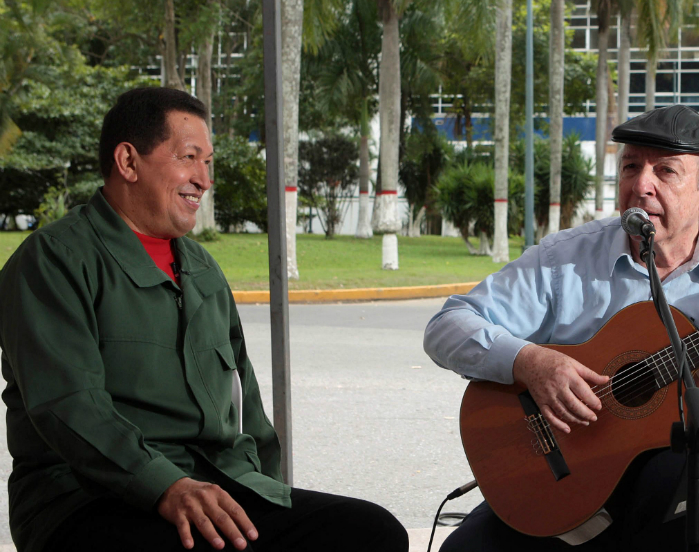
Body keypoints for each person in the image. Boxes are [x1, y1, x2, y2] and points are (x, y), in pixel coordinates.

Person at [423, 105, 699, 552]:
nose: (642, 185)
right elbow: (447, 325)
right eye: (631, 167)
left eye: (666, 171)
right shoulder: (566, 259)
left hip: (683, 498)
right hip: (558, 482)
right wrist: (530, 362)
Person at [0, 87, 408, 552]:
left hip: (213, 488)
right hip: (85, 501)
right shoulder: (56, 261)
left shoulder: (202, 270)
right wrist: (165, 486)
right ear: (128, 163)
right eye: (189, 157)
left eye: (208, 162)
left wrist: (266, 492)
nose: (203, 178)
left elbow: (246, 407)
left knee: (371, 532)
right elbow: (68, 406)